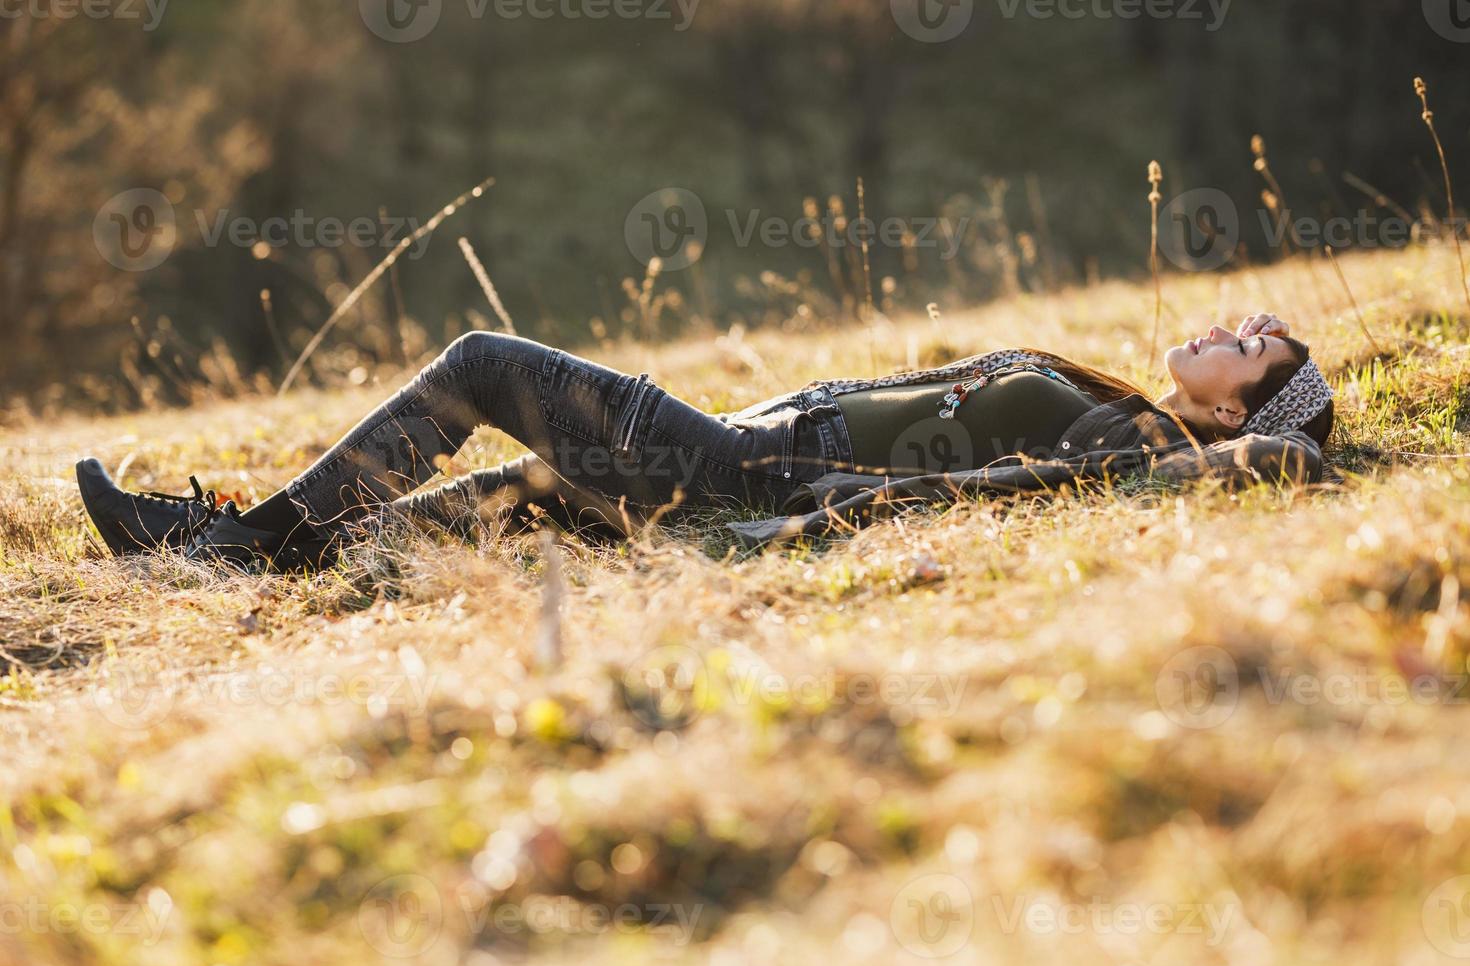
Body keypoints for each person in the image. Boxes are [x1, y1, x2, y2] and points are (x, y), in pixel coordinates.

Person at [75, 313, 1333, 567]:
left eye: (1254, 346)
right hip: (739, 440)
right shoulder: (1101, 398)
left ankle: (233, 544)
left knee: (481, 366)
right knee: (432, 526)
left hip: (739, 475)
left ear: (1234, 406)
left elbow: (1280, 464)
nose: (1232, 327)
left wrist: (1281, 448)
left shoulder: (1127, 447)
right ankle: (214, 550)